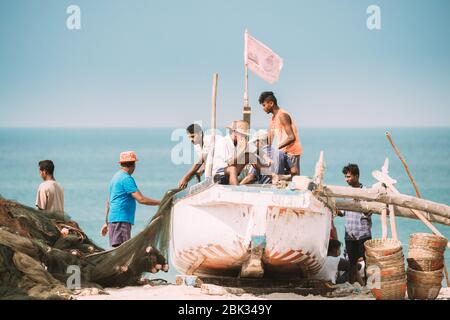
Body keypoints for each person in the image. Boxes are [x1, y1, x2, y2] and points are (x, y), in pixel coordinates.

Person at [101, 151, 161, 247]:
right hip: (121, 219)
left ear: (121, 164)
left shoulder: (115, 177)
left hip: (114, 219)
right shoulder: (126, 179)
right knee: (124, 250)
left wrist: (106, 222)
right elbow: (141, 199)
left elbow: (109, 202)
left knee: (118, 249)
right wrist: (161, 202)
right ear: (133, 165)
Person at [337, 163, 372, 285]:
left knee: (369, 261)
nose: (347, 179)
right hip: (350, 234)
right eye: (345, 177)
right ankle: (351, 286)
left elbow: (369, 212)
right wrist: (334, 209)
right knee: (351, 263)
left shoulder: (366, 192)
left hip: (363, 233)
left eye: (349, 176)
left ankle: (369, 286)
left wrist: (361, 205)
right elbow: (342, 213)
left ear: (356, 176)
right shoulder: (346, 193)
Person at [259, 91, 303, 177]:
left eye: (264, 105)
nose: (263, 108)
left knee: (294, 179)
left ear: (271, 103)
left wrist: (275, 148)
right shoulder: (273, 119)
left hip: (291, 152)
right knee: (281, 179)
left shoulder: (282, 115)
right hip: (282, 153)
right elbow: (270, 139)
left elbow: (291, 137)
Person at [212, 120, 259, 185]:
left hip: (230, 173)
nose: (244, 137)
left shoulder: (239, 142)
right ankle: (235, 192)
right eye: (242, 134)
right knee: (232, 169)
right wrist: (241, 149)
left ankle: (272, 176)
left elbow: (256, 151)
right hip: (218, 176)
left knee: (249, 156)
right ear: (235, 132)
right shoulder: (222, 142)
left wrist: (266, 158)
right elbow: (230, 163)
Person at [178, 123, 215, 189]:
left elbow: (200, 162)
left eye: (192, 136)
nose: (191, 140)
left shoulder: (208, 140)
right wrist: (199, 171)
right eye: (189, 137)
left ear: (200, 134)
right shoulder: (197, 144)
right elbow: (205, 161)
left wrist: (186, 178)